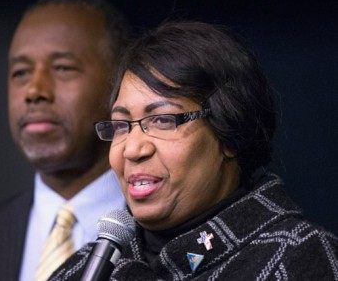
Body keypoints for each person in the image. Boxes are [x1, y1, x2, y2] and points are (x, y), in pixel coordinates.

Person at [50, 21, 338, 280]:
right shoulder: (84, 271)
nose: (133, 149)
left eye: (163, 120)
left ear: (229, 134)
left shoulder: (299, 258)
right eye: (121, 125)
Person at [0, 0, 130, 281]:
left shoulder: (175, 243)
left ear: (120, 82)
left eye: (62, 68)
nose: (35, 91)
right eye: (21, 72)